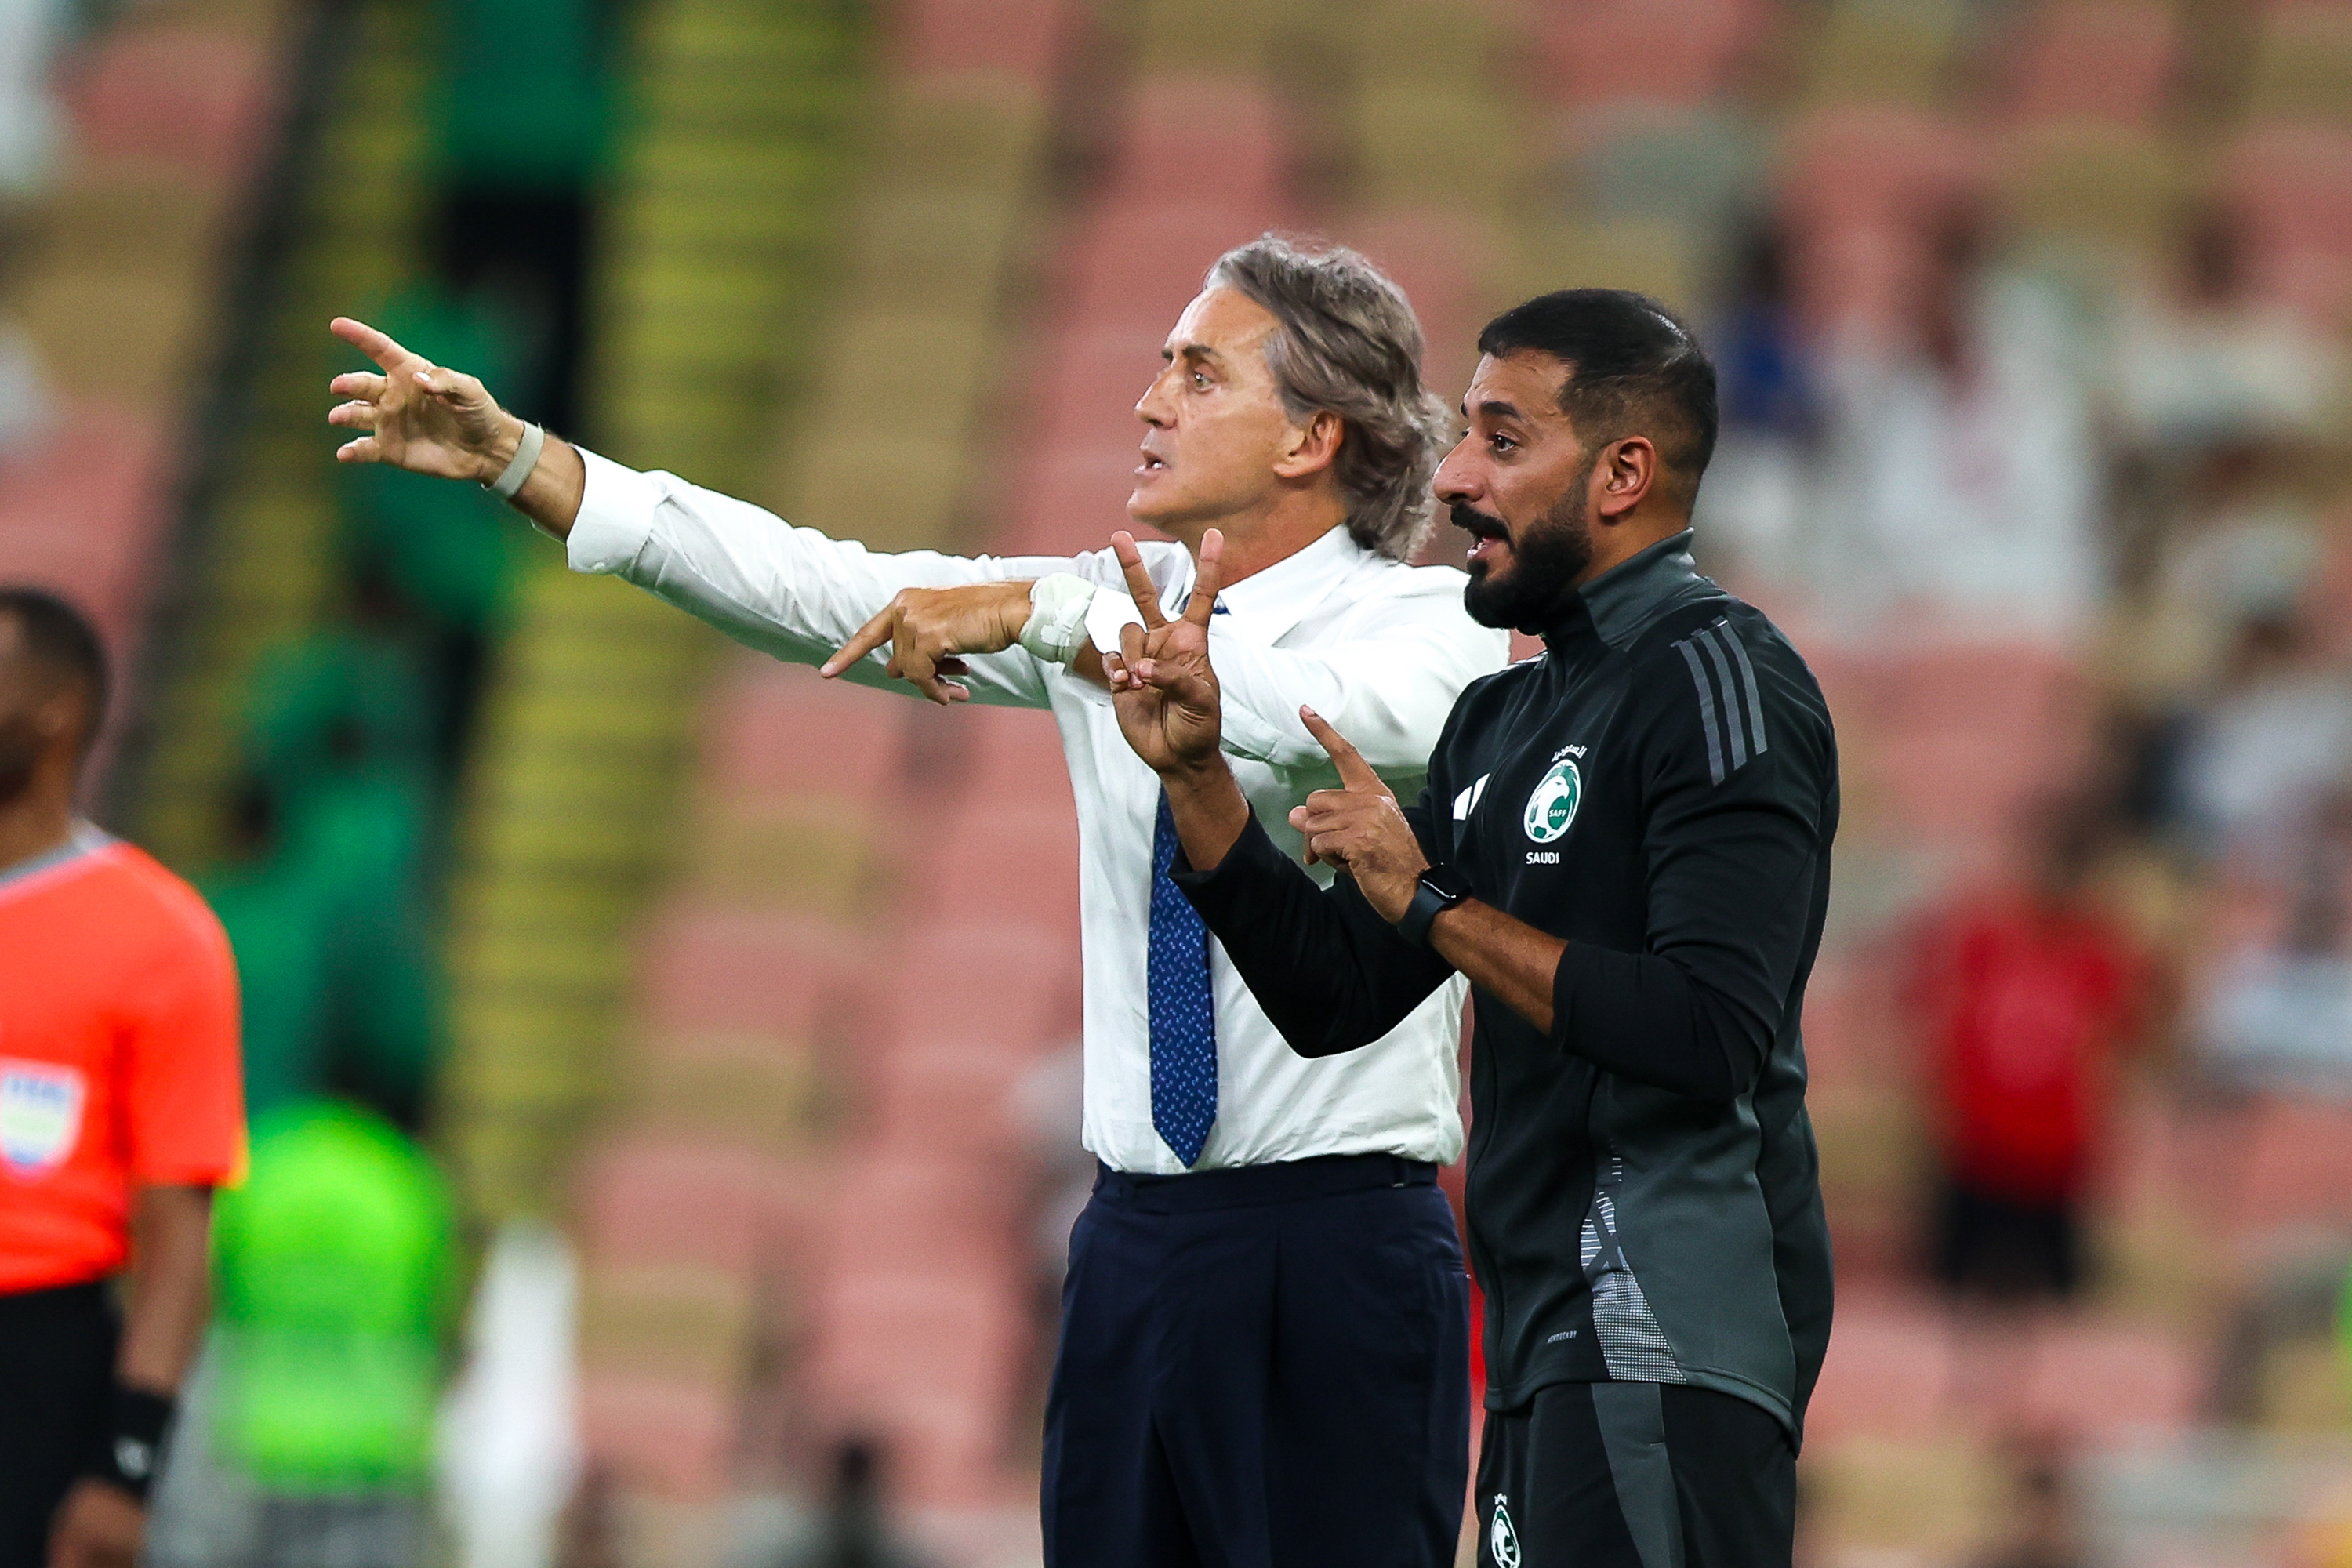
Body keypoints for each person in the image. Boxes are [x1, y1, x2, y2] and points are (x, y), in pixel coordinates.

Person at [324, 235, 1508, 1566]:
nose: (1149, 400)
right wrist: (528, 462)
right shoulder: (1099, 611)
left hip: (1335, 1245)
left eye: (1197, 371)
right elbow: (809, 587)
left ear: (1311, 440)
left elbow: (1317, 716)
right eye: (1158, 364)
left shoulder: (1435, 626)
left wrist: (1053, 620)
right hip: (1130, 1247)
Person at [1104, 290, 1838, 1566]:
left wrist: (1433, 903)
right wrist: (1201, 781)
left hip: (1671, 1338)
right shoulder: (1503, 721)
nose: (1449, 478)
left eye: (1501, 440)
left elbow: (1711, 1028)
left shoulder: (1720, 679)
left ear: (1622, 473)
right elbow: (1336, 994)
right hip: (1546, 1344)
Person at [0, 589, 244, 1568]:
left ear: (56, 709)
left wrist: (127, 1463)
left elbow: (178, 1235)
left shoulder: (161, 939)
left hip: (33, 1369)